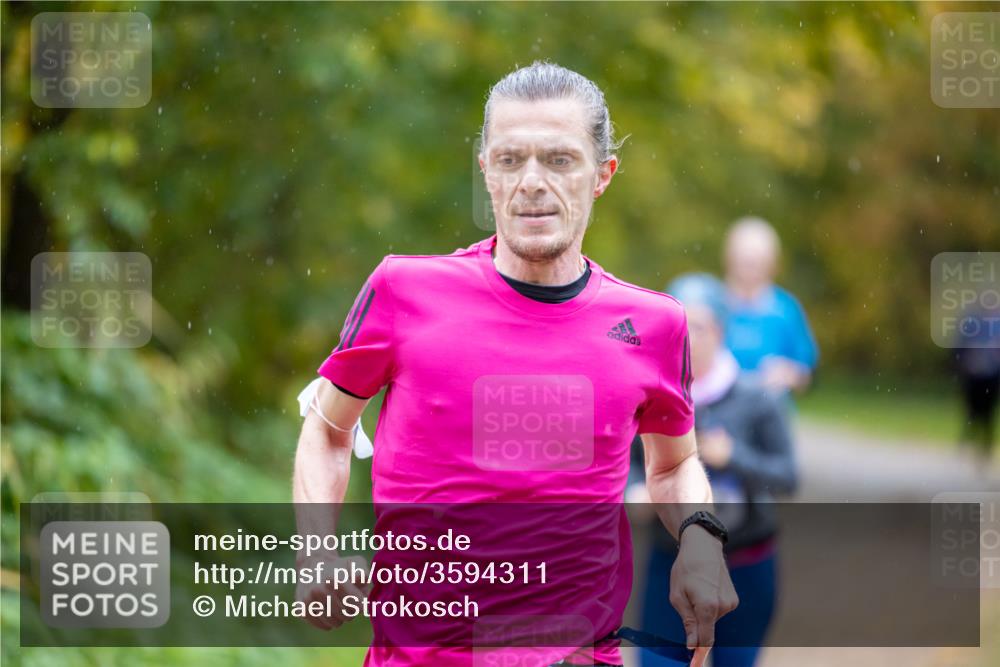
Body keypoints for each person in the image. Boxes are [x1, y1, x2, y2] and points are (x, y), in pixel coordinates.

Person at [292, 61, 737, 667]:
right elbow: (326, 425)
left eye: (558, 160)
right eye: (509, 159)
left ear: (602, 174)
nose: (531, 182)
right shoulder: (404, 291)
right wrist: (315, 550)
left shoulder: (655, 325)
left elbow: (674, 462)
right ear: (486, 170)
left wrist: (700, 537)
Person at [630, 273, 797, 667]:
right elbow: (631, 471)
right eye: (678, 327)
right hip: (670, 562)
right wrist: (636, 492)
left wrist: (733, 456)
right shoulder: (652, 397)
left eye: (699, 326)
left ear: (720, 331)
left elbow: (788, 477)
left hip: (745, 564)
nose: (688, 337)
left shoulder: (756, 398)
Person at [722, 217, 818, 395]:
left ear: (772, 263)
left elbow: (806, 371)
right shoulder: (712, 306)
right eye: (745, 260)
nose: (750, 269)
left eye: (757, 262)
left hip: (769, 412)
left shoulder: (786, 310)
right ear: (729, 259)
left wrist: (787, 373)